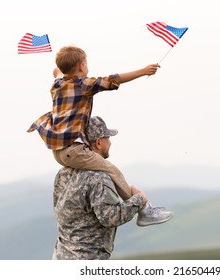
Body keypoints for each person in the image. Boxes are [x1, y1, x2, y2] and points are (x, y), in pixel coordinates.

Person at [28, 45, 171, 226]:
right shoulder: (84, 84)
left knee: (95, 170)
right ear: (80, 66)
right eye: (85, 63)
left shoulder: (57, 84)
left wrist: (60, 68)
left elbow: (56, 71)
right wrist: (143, 71)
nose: (87, 67)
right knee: (112, 170)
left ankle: (144, 210)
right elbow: (113, 80)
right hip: (74, 149)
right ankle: (144, 210)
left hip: (58, 151)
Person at [52, 116, 171, 260]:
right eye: (107, 138)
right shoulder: (98, 178)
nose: (111, 142)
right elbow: (110, 217)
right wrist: (139, 199)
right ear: (98, 143)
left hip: (60, 257)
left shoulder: (63, 173)